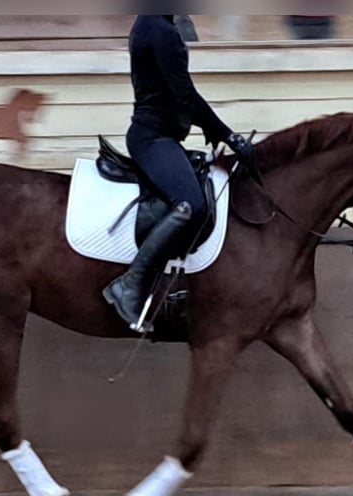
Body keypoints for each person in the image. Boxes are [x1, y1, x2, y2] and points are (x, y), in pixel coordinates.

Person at [102, 15, 254, 332]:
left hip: (164, 137)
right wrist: (229, 136)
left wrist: (211, 131)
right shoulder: (159, 30)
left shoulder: (156, 25)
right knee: (190, 204)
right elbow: (184, 94)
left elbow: (175, 96)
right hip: (152, 139)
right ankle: (129, 283)